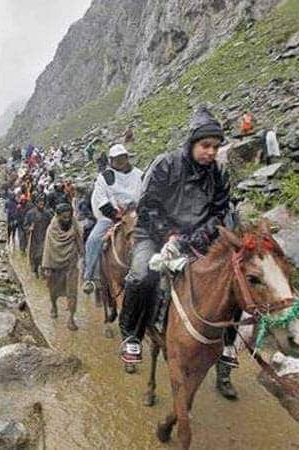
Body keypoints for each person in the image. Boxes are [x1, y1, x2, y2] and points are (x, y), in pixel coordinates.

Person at [119, 105, 239, 399]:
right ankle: (131, 335)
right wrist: (169, 234)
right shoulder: (165, 164)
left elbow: (220, 211)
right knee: (142, 275)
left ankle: (227, 344)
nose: (211, 152)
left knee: (233, 279)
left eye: (215, 146)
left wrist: (194, 238)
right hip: (155, 233)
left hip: (197, 238)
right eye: (205, 145)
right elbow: (147, 205)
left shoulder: (219, 174)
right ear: (192, 143)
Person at [82, 144, 143, 294]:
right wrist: (116, 214)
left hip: (136, 215)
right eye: (116, 159)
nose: (120, 162)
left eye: (123, 158)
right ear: (111, 160)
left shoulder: (139, 174)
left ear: (127, 158)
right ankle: (90, 277)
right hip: (111, 217)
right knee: (93, 240)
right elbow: (101, 200)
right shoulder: (104, 178)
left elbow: (145, 195)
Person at [42, 203, 84, 331]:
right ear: (58, 216)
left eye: (69, 216)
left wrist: (83, 254)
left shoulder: (75, 224)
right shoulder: (51, 229)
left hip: (71, 264)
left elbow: (79, 241)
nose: (67, 219)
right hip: (54, 265)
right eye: (64, 217)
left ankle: (71, 318)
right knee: (53, 291)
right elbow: (48, 249)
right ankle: (54, 306)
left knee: (72, 292)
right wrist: (46, 267)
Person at [24, 196, 53, 277]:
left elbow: (52, 223)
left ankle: (43, 270)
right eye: (40, 203)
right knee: (35, 255)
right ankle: (35, 269)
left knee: (43, 254)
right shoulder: (30, 213)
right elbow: (25, 225)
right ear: (36, 204)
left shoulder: (47, 213)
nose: (41, 205)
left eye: (42, 203)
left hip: (44, 237)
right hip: (34, 238)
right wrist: (29, 228)